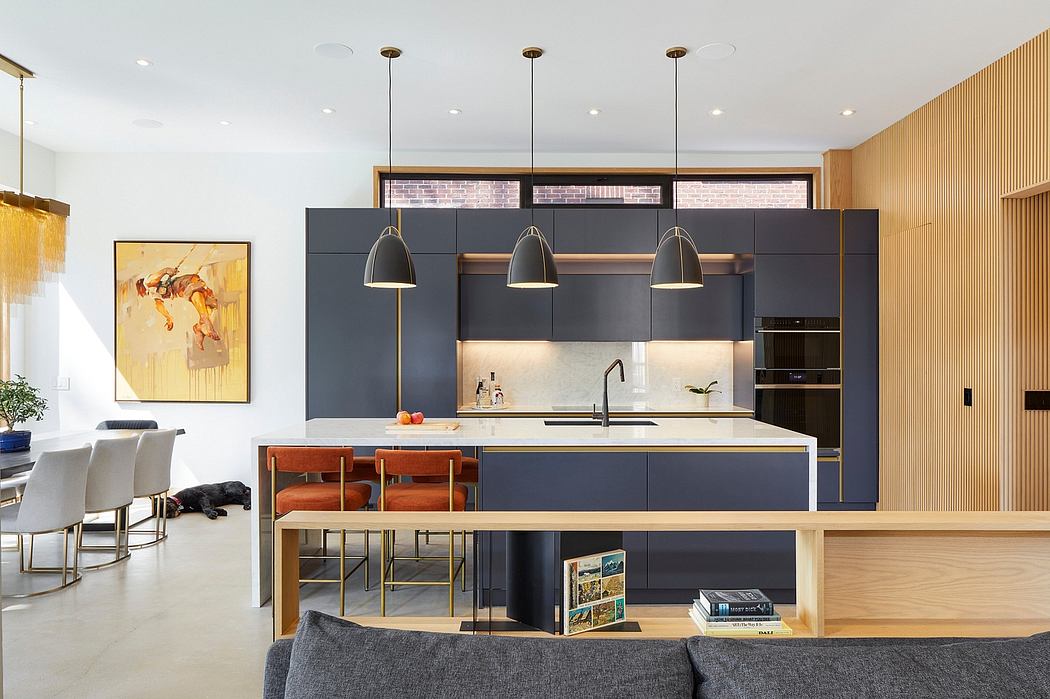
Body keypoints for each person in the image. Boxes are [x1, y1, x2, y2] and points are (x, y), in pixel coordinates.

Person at [135, 267, 221, 351]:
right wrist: (169, 318)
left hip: (182, 284)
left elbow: (155, 277)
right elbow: (159, 305)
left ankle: (203, 323)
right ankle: (202, 324)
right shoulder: (152, 293)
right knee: (208, 301)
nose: (142, 294)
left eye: (140, 292)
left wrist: (166, 270)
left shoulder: (147, 282)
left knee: (202, 296)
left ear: (141, 287)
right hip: (183, 289)